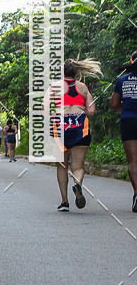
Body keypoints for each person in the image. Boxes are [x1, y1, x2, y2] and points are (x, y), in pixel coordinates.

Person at [51, 58, 101, 212]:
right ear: (77, 72)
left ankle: (64, 202)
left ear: (62, 72)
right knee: (78, 166)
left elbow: (44, 108)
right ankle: (77, 184)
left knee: (62, 165)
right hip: (80, 126)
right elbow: (92, 111)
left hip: (60, 127)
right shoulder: (83, 87)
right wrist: (80, 111)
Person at [110, 50, 137, 212]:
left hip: (129, 121)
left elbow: (114, 105)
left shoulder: (122, 80)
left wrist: (126, 105)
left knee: (133, 161)